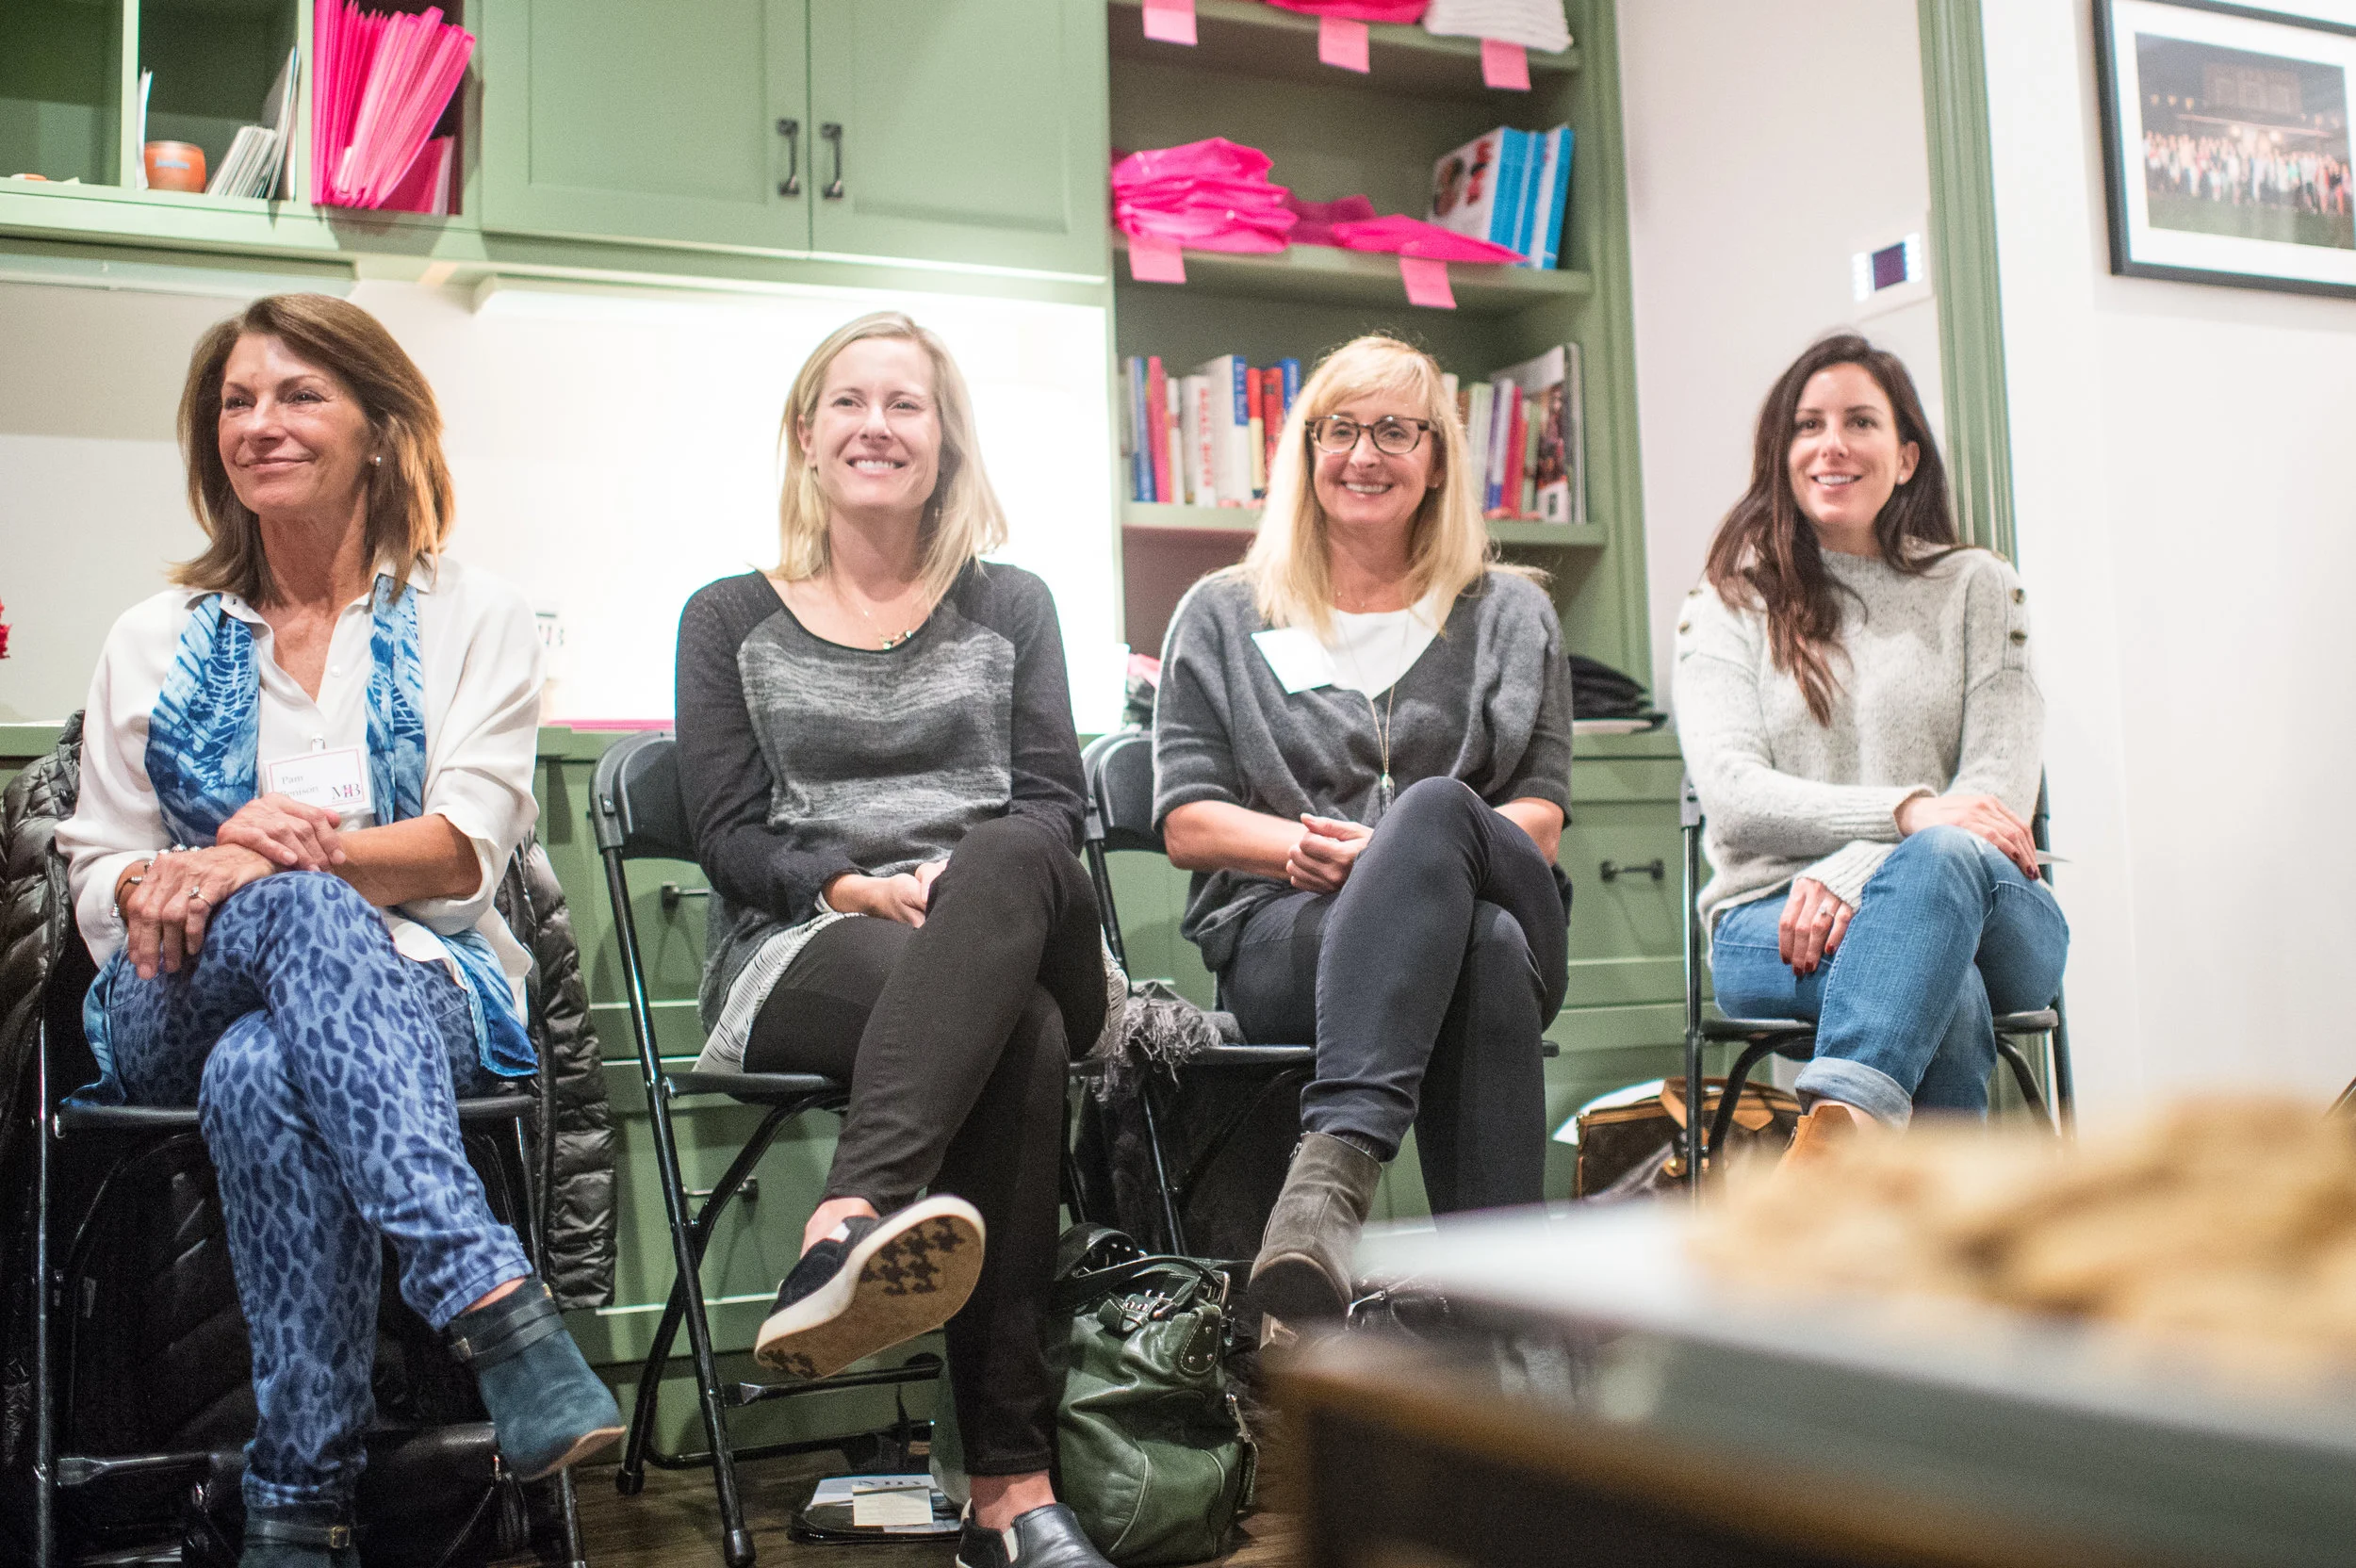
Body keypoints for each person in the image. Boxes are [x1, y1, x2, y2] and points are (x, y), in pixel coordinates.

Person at [57, 295, 620, 1568]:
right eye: (236, 402)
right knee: (293, 917)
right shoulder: (153, 638)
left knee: (268, 1070)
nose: (260, 423)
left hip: (420, 986)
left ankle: (297, 1509)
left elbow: (464, 850)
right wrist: (179, 880)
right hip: (174, 990)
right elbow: (101, 868)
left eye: (299, 394)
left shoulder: (475, 615)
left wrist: (265, 852)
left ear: (380, 427)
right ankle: (493, 1300)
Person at [673, 311, 1115, 1568]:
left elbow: (1054, 806)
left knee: (1013, 851)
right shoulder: (726, 618)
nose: (876, 425)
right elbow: (727, 836)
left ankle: (849, 1214)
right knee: (1018, 1034)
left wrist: (956, 880)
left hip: (1021, 916)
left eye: (905, 404)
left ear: (945, 440)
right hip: (816, 940)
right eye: (849, 403)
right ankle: (1012, 1495)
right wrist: (853, 887)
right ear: (806, 437)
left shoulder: (1013, 605)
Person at [1152, 335, 1574, 1332]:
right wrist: (1290, 849)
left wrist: (1401, 850)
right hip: (1288, 926)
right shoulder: (1222, 612)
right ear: (1306, 451)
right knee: (1484, 949)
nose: (1363, 454)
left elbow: (1541, 815)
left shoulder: (1513, 614)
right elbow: (1186, 819)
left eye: (1394, 431)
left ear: (1438, 458)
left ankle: (1328, 1180)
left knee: (1435, 812)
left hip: (1496, 885)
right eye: (1338, 429)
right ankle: (1504, 1337)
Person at [1675, 333, 2068, 1155]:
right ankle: (1920, 1211)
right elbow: (1735, 798)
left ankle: (1838, 1155)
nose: (1832, 444)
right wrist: (1911, 816)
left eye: (1860, 421)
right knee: (1944, 986)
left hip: (1991, 906)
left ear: (1907, 456)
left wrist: (1860, 870)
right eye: (1808, 425)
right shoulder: (1726, 605)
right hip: (1772, 918)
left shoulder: (1981, 587)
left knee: (1943, 864)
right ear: (1781, 453)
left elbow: (1991, 796)